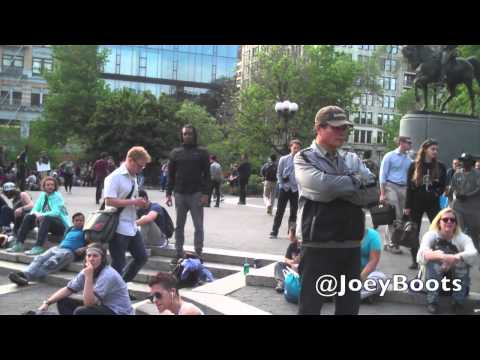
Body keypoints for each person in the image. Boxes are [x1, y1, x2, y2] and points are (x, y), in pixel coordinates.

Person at [295, 105, 366, 315]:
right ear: (319, 128)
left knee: (349, 308)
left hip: (350, 243)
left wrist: (334, 187)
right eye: (336, 128)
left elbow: (372, 191)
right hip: (317, 242)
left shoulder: (352, 158)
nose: (342, 132)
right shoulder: (304, 157)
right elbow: (323, 187)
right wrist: (354, 182)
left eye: (344, 128)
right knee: (310, 306)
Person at [37, 243, 134, 315]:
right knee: (63, 301)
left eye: (95, 256)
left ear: (103, 259)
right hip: (103, 306)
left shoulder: (108, 275)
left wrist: (88, 277)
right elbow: (68, 289)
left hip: (119, 312)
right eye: (89, 255)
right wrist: (47, 303)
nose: (91, 259)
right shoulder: (88, 270)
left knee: (81, 312)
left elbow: (89, 304)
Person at [417, 208, 477, 314]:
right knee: (433, 262)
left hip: (454, 282)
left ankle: (458, 302)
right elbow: (421, 254)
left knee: (462, 263)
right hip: (431, 281)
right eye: (445, 220)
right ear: (439, 222)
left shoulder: (463, 238)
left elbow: (473, 253)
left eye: (452, 220)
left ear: (455, 224)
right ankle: (432, 302)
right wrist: (440, 257)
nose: (449, 222)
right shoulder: (430, 235)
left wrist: (455, 258)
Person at [104, 146, 151, 284]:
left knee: (141, 257)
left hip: (131, 225)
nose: (141, 169)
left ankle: (121, 286)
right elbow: (109, 201)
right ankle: (109, 292)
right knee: (118, 263)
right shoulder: (114, 177)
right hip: (118, 226)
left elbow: (129, 200)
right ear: (130, 160)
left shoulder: (133, 177)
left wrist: (138, 204)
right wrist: (133, 201)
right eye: (140, 166)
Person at [166, 124, 210, 263]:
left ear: (194, 135)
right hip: (179, 194)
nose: (187, 136)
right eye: (185, 134)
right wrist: (168, 193)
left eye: (190, 134)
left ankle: (199, 253)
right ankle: (179, 252)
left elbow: (207, 175)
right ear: (182, 135)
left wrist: (206, 194)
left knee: (198, 225)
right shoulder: (175, 153)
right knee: (179, 226)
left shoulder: (202, 152)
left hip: (196, 194)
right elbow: (170, 175)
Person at [8, 212, 87, 286]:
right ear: (73, 222)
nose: (79, 222)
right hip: (58, 248)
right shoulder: (70, 230)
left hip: (69, 252)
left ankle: (26, 278)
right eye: (77, 220)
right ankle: (25, 274)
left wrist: (83, 248)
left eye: (81, 220)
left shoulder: (85, 232)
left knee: (50, 262)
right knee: (39, 258)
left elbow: (94, 244)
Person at [405, 139, 447, 270]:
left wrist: (435, 192)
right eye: (432, 149)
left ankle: (438, 257)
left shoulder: (440, 166)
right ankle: (415, 260)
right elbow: (409, 187)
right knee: (413, 231)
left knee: (438, 229)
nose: (435, 152)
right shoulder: (414, 165)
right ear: (425, 150)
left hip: (432, 203)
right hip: (416, 202)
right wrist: (407, 206)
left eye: (436, 150)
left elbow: (443, 186)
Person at [6, 177, 70, 255]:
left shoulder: (57, 196)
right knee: (28, 216)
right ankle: (19, 244)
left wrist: (41, 214)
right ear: (44, 186)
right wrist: (36, 214)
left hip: (60, 225)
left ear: (55, 186)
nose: (50, 187)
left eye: (52, 185)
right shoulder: (43, 195)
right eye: (48, 185)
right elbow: (35, 209)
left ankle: (39, 246)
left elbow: (56, 212)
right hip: (45, 221)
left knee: (47, 218)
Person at [379, 136, 413, 253]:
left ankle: (393, 241)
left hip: (404, 188)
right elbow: (382, 175)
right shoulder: (389, 156)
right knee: (394, 215)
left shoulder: (409, 159)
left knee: (402, 216)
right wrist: (382, 194)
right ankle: (391, 244)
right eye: (408, 142)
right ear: (401, 143)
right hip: (390, 186)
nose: (410, 144)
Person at [270, 140, 301, 239]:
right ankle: (274, 231)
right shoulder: (283, 159)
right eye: (294, 147)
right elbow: (279, 173)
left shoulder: (301, 160)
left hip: (295, 189)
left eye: (298, 148)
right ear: (290, 147)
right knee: (280, 211)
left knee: (294, 212)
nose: (296, 150)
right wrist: (281, 184)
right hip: (285, 188)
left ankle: (291, 232)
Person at [450, 153, 480, 250]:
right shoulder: (457, 173)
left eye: (466, 160)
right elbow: (453, 186)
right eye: (462, 160)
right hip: (459, 206)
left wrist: (467, 195)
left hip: (473, 208)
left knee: (474, 232)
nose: (463, 162)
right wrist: (456, 193)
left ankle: (476, 252)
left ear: (471, 163)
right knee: (460, 230)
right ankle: (460, 252)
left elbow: (478, 189)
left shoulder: (477, 174)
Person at [360, 227, 387, 302]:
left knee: (381, 279)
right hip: (346, 274)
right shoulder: (342, 235)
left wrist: (361, 277)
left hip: (365, 274)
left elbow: (374, 260)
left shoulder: (373, 235)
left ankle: (349, 296)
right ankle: (362, 296)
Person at [274, 227, 301, 293]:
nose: (288, 236)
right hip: (292, 268)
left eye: (289, 233)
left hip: (301, 269)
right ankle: (282, 284)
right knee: (279, 265)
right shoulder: (292, 245)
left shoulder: (303, 246)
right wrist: (291, 262)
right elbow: (286, 258)